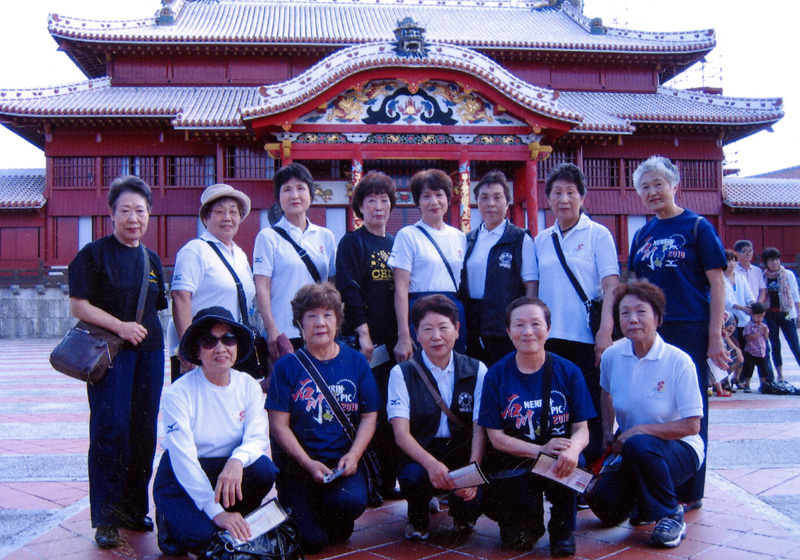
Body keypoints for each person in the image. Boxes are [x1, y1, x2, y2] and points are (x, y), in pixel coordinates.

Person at [67, 176, 167, 549]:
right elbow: (79, 306)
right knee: (111, 431)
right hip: (110, 355)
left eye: (140, 211)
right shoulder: (93, 254)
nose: (133, 218)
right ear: (111, 214)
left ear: (149, 214)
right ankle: (107, 517)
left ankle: (133, 509)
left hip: (150, 354)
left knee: (143, 432)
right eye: (125, 210)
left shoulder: (151, 258)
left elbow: (158, 308)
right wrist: (121, 326)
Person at [628, 155, 727, 507]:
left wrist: (715, 335)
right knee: (653, 404)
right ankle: (655, 483)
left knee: (690, 407)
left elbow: (718, 284)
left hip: (689, 327)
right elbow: (634, 285)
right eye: (645, 187)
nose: (652, 192)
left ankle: (690, 490)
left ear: (674, 185)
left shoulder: (697, 227)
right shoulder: (643, 233)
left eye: (658, 184)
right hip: (650, 331)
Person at [589, 281, 704, 550]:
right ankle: (644, 502)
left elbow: (692, 426)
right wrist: (607, 431)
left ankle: (670, 515)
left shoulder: (678, 361)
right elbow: (606, 392)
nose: (633, 319)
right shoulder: (612, 356)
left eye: (641, 312)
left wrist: (638, 432)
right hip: (632, 448)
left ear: (658, 318)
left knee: (640, 444)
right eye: (625, 313)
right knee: (605, 505)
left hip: (680, 449)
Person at [153, 307, 277, 556]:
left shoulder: (248, 386)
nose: (221, 348)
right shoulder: (179, 393)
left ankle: (235, 518)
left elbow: (257, 436)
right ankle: (171, 518)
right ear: (197, 351)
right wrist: (216, 513)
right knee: (205, 539)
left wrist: (236, 460)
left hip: (226, 472)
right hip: (183, 476)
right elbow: (184, 460)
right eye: (209, 341)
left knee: (264, 469)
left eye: (228, 339)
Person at [266, 283, 379, 554]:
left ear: (338, 321)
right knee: (312, 542)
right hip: (299, 468)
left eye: (328, 315)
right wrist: (307, 462)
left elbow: (369, 415)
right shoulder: (286, 367)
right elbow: (278, 426)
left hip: (341, 464)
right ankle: (303, 509)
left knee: (345, 509)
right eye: (311, 316)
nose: (320, 323)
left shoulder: (356, 362)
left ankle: (328, 508)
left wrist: (354, 455)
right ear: (299, 322)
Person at [479, 297, 594, 556]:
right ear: (508, 332)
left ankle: (562, 529)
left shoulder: (569, 371)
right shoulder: (496, 375)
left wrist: (573, 449)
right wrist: (540, 450)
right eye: (519, 325)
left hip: (557, 458)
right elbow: (496, 438)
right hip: (516, 459)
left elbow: (582, 428)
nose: (527, 331)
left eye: (536, 324)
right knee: (517, 541)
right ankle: (526, 521)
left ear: (548, 329)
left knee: (575, 459)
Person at [531, 163, 619, 465]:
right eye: (557, 192)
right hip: (550, 339)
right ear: (548, 199)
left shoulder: (598, 234)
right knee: (556, 407)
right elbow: (534, 290)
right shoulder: (542, 240)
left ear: (582, 197)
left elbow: (611, 286)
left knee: (588, 405)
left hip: (586, 337)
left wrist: (605, 331)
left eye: (571, 192)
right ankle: (557, 469)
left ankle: (591, 470)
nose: (564, 199)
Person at [387, 295, 487, 541]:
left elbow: (480, 428)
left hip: (462, 451)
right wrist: (431, 465)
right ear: (416, 334)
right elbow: (401, 433)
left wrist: (473, 472)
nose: (436, 336)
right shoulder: (401, 372)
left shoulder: (477, 369)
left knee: (473, 499)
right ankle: (417, 514)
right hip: (422, 451)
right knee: (413, 478)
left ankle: (464, 515)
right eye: (427, 329)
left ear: (457, 329)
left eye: (443, 327)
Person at [335, 170, 401, 504]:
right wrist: (363, 333)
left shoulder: (397, 243)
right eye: (371, 200)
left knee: (390, 411)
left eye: (384, 200)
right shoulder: (352, 242)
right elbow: (348, 289)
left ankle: (388, 480)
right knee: (366, 410)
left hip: (394, 343)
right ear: (360, 207)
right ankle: (368, 481)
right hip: (366, 344)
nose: (378, 206)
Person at [169, 184, 254, 380]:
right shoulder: (195, 250)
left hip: (230, 348)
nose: (227, 217)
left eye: (233, 212)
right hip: (202, 348)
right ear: (206, 218)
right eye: (220, 211)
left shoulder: (240, 255)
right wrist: (187, 350)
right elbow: (181, 297)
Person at [253, 162, 337, 356]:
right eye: (287, 190)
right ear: (278, 197)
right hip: (284, 332)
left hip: (320, 331)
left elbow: (332, 284)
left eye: (300, 188)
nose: (294, 195)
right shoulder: (268, 237)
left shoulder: (325, 236)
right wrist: (271, 328)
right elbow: (262, 287)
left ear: (311, 194)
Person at [388, 169, 467, 362]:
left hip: (452, 310)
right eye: (426, 196)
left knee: (455, 367)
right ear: (417, 202)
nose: (434, 202)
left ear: (448, 198)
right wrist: (403, 335)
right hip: (420, 310)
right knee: (422, 369)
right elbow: (401, 289)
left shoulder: (459, 237)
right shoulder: (407, 235)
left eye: (439, 195)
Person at [461, 170, 535, 366]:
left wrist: (526, 322)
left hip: (505, 327)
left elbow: (531, 286)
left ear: (507, 203)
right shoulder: (469, 239)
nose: (490, 203)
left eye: (497, 197)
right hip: (473, 325)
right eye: (484, 197)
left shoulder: (520, 238)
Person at [762, 247, 800, 381]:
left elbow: (795, 294)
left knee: (794, 344)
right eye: (771, 260)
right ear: (766, 262)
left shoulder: (787, 274)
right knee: (775, 345)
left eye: (777, 260)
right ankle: (780, 375)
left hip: (786, 313)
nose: (775, 263)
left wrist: (798, 313)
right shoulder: (763, 276)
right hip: (770, 314)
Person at [741, 302, 775, 393]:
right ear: (752, 315)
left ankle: (763, 384)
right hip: (751, 351)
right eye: (758, 317)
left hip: (761, 351)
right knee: (749, 368)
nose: (760, 319)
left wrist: (765, 332)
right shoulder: (749, 326)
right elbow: (748, 338)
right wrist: (758, 332)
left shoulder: (763, 326)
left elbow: (766, 338)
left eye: (762, 317)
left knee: (763, 369)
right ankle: (747, 384)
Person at [723, 249, 755, 347]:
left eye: (734, 260)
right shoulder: (720, 279)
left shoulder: (741, 278)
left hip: (744, 318)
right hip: (729, 319)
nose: (732, 264)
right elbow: (726, 301)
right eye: (729, 261)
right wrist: (743, 308)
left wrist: (751, 305)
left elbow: (749, 294)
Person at [734, 240, 767, 304]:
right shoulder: (733, 270)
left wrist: (758, 304)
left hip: (754, 306)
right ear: (737, 254)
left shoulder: (757, 271)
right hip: (738, 306)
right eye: (744, 251)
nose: (748, 254)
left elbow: (762, 289)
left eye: (750, 251)